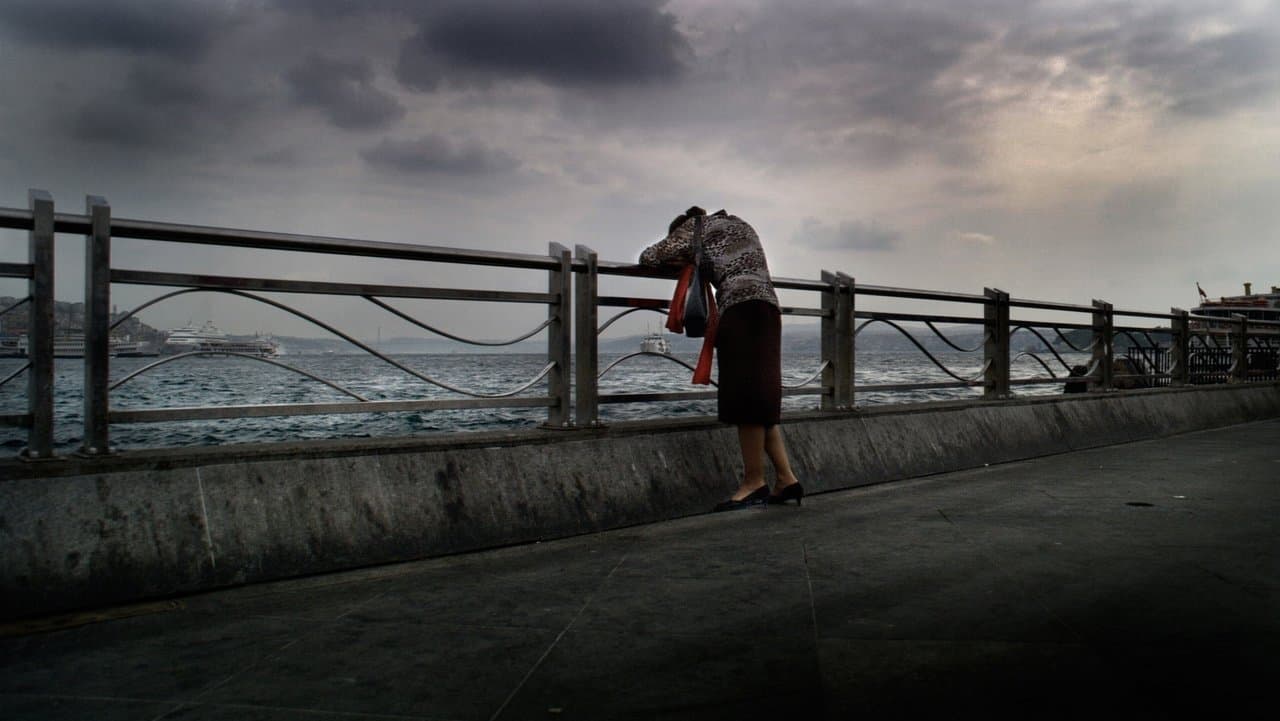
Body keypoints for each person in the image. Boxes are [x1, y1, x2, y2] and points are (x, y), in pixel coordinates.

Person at [640, 206, 804, 511]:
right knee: (761, 399)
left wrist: (684, 258)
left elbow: (649, 257)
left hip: (741, 312)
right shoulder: (739, 223)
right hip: (768, 309)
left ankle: (753, 482)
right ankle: (786, 479)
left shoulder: (694, 228)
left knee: (744, 399)